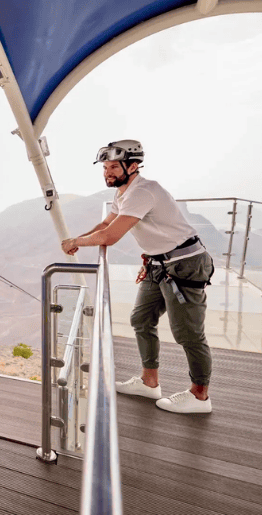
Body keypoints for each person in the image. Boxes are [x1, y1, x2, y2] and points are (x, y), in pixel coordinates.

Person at [61, 140, 214, 414]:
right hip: (159, 264)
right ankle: (149, 381)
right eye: (105, 167)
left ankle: (200, 396)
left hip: (184, 265)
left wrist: (76, 241)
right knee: (141, 320)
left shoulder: (143, 191)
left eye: (113, 167)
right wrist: (80, 239)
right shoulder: (124, 192)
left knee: (188, 333)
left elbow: (110, 236)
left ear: (133, 167)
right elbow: (106, 224)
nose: (107, 173)